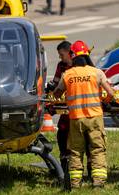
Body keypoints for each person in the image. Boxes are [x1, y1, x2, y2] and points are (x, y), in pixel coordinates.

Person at [54, 40, 114, 189]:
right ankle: (98, 183)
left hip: (76, 119)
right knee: (97, 149)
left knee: (75, 151)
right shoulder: (97, 72)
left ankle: (75, 184)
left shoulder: (68, 74)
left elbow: (56, 94)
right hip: (95, 118)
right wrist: (104, 100)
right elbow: (111, 93)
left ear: (72, 55)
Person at [45, 41, 73, 170]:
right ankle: (65, 162)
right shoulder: (61, 66)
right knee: (62, 132)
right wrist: (50, 89)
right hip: (65, 105)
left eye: (61, 55)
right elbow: (56, 84)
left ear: (69, 53)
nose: (60, 57)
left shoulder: (79, 66)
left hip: (77, 108)